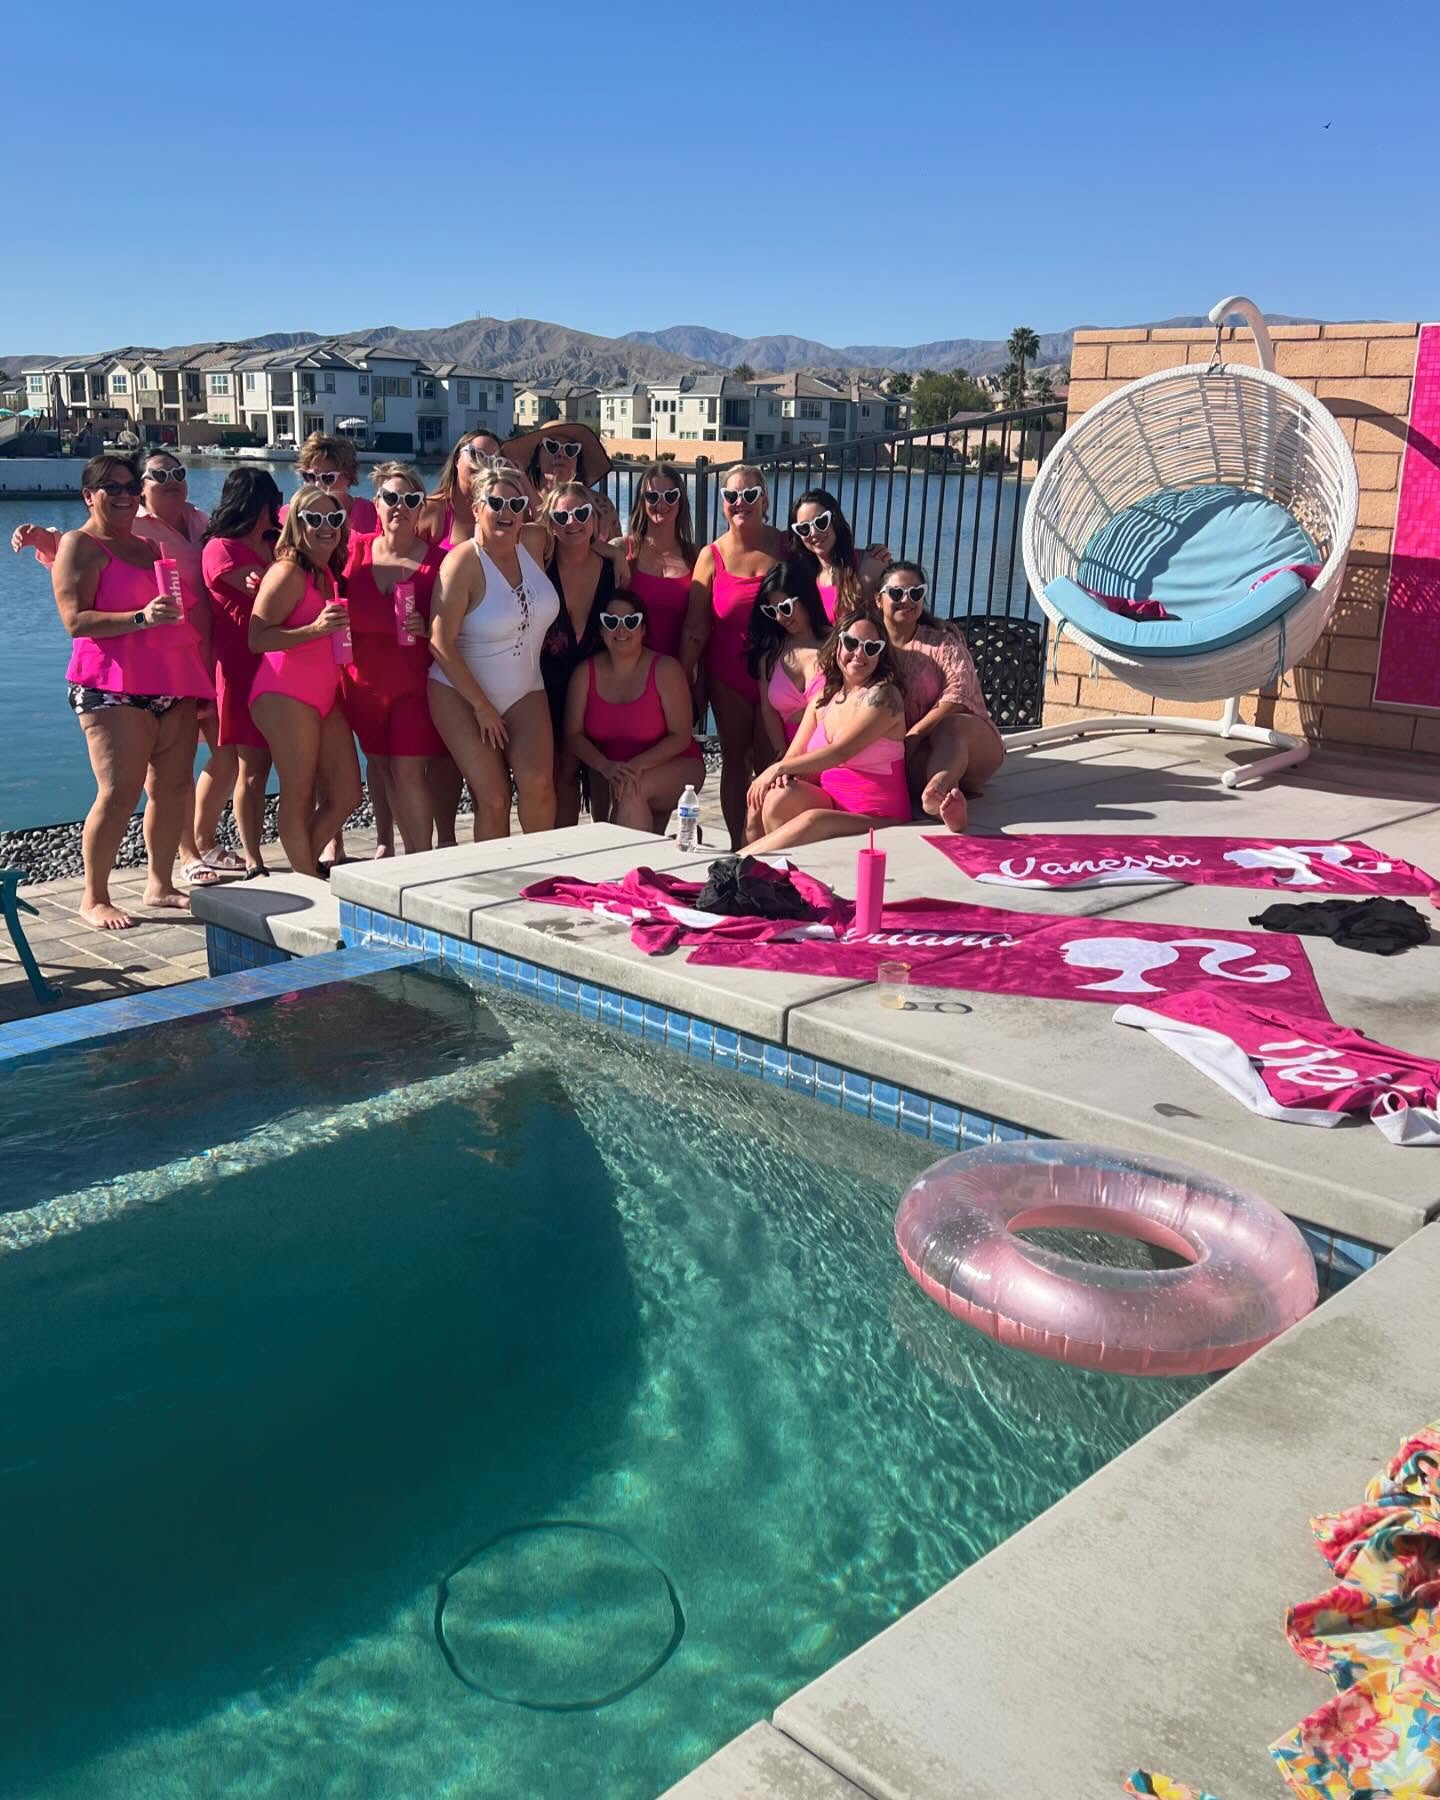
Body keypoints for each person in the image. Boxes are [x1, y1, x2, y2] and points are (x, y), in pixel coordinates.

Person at [49, 454, 213, 929]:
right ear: (89, 495)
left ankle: (159, 883)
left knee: (173, 787)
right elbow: (75, 621)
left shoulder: (147, 545)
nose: (123, 494)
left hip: (172, 680)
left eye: (127, 486)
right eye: (111, 487)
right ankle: (94, 896)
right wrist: (140, 617)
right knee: (119, 791)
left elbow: (175, 612)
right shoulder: (79, 545)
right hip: (111, 685)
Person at [428, 463, 559, 839]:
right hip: (461, 695)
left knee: (538, 785)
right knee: (495, 798)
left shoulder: (533, 542)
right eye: (496, 503)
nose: (506, 512)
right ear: (475, 509)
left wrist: (614, 554)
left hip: (525, 689)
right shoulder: (462, 563)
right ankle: (495, 881)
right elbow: (439, 641)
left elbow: (574, 528)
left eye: (515, 504)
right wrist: (482, 707)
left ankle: (541, 876)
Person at [247, 487, 362, 877]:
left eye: (334, 519)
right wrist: (314, 630)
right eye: (314, 519)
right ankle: (308, 879)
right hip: (283, 693)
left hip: (321, 694)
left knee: (347, 792)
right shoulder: (287, 572)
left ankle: (304, 871)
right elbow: (257, 638)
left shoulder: (325, 571)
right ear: (297, 523)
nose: (325, 527)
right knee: (297, 795)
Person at [680, 464, 789, 849]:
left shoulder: (788, 546)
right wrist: (683, 678)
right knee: (734, 762)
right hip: (727, 674)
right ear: (723, 505)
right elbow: (695, 627)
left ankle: (768, 845)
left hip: (779, 676)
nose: (739, 502)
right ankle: (737, 846)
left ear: (765, 500)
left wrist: (873, 557)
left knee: (772, 763)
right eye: (731, 496)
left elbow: (835, 564)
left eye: (749, 494)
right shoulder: (711, 556)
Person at [340, 462, 445, 856]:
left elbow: (457, 626)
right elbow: (302, 560)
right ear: (376, 504)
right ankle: (386, 844)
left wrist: (428, 627)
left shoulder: (439, 561)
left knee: (408, 770)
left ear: (422, 508)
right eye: (391, 498)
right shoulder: (352, 550)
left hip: (414, 686)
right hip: (361, 685)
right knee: (381, 769)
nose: (400, 506)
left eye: (410, 499)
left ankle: (419, 858)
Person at [745, 608, 910, 854]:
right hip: (832, 803)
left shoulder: (884, 697)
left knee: (813, 821)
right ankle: (769, 875)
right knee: (776, 797)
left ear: (881, 655)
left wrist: (778, 768)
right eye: (852, 643)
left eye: (871, 647)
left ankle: (738, 865)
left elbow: (840, 752)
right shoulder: (824, 698)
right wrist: (779, 775)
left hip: (877, 816)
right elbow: (793, 756)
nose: (859, 654)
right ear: (837, 645)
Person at [876, 560, 1004, 833]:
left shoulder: (942, 641)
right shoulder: (870, 646)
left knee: (951, 724)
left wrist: (916, 733)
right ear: (879, 600)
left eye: (916, 593)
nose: (906, 601)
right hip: (914, 753)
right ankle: (945, 800)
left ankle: (939, 791)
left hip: (970, 744)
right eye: (897, 594)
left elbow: (959, 692)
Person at [201, 467, 284, 876]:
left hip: (281, 666)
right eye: (269, 503)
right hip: (240, 668)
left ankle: (304, 845)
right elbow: (267, 592)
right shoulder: (221, 548)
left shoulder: (274, 544)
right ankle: (252, 856)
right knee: (251, 768)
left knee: (283, 763)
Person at [563, 592, 703, 833]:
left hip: (677, 766)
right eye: (611, 621)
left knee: (631, 792)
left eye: (630, 621)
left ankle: (636, 869)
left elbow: (680, 737)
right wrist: (605, 766)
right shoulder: (585, 674)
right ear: (601, 630)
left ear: (643, 630)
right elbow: (573, 735)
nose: (621, 630)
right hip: (618, 772)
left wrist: (637, 765)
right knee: (633, 800)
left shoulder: (666, 670)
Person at [540, 481, 633, 826]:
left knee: (601, 771)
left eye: (581, 513)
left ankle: (604, 847)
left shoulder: (614, 571)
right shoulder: (539, 564)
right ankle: (563, 847)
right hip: (549, 683)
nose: (572, 522)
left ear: (595, 519)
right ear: (549, 522)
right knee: (561, 770)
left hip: (601, 683)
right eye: (561, 515)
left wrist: (613, 552)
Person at [618, 463, 697, 659]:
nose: (661, 504)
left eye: (670, 496)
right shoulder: (622, 550)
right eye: (652, 496)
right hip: (630, 673)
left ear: (681, 502)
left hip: (676, 674)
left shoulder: (695, 556)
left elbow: (700, 627)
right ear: (642, 501)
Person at [503, 422, 621, 541]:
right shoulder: (517, 503)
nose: (561, 454)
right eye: (552, 446)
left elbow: (616, 547)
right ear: (537, 459)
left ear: (577, 462)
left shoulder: (600, 504)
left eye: (570, 449)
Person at [788, 489, 891, 623]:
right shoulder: (806, 578)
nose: (813, 532)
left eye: (821, 522)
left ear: (835, 520)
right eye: (804, 528)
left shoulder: (871, 565)